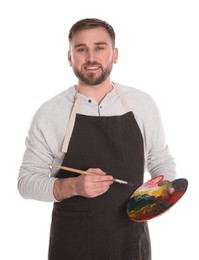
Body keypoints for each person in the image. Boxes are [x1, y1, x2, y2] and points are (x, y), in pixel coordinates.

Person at [18, 18, 176, 260]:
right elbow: (26, 182)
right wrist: (73, 185)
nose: (91, 58)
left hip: (131, 242)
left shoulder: (142, 104)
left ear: (114, 54)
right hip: (72, 244)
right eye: (81, 49)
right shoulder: (50, 113)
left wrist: (163, 196)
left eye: (100, 48)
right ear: (70, 57)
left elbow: (160, 158)